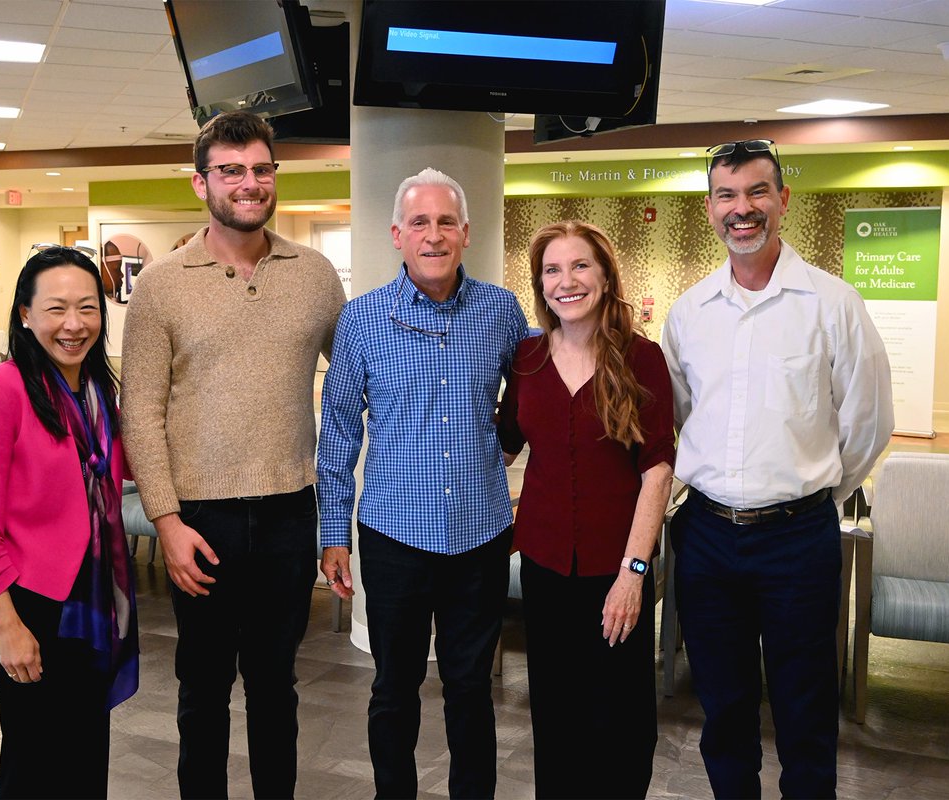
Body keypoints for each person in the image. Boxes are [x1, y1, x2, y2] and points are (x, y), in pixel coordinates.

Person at [120, 110, 345, 799]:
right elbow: (141, 411)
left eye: (260, 169)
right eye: (231, 171)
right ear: (201, 182)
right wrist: (166, 520)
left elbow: (364, 373)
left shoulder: (314, 273)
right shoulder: (161, 284)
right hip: (200, 520)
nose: (249, 184)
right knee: (204, 689)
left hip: (286, 512)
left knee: (277, 685)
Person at [661, 139, 893, 799]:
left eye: (757, 192)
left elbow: (868, 423)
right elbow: (681, 416)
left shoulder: (833, 305)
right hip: (705, 538)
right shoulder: (689, 313)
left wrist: (809, 495)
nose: (743, 209)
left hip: (798, 541)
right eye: (728, 195)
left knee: (805, 709)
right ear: (709, 208)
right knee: (724, 709)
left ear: (783, 200)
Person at [317, 166, 528, 799]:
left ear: (465, 232)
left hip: (479, 536)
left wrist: (500, 444)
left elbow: (530, 399)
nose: (432, 235)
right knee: (394, 686)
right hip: (392, 536)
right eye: (419, 222)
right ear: (396, 235)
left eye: (444, 222)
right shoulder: (360, 320)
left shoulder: (501, 310)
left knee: (471, 688)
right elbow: (338, 437)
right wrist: (333, 533)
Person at [498, 220, 675, 799]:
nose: (565, 281)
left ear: (604, 276)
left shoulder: (641, 359)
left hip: (616, 571)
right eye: (552, 269)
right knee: (555, 717)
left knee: (620, 720)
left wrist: (635, 573)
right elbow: (499, 446)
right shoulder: (524, 359)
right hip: (546, 567)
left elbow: (657, 471)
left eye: (579, 267)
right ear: (539, 283)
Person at [0, 244, 138, 800]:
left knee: (85, 753)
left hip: (90, 594)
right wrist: (7, 627)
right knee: (34, 761)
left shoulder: (96, 389)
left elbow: (123, 466)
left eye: (88, 308)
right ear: (25, 314)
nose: (74, 324)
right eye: (56, 308)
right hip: (32, 601)